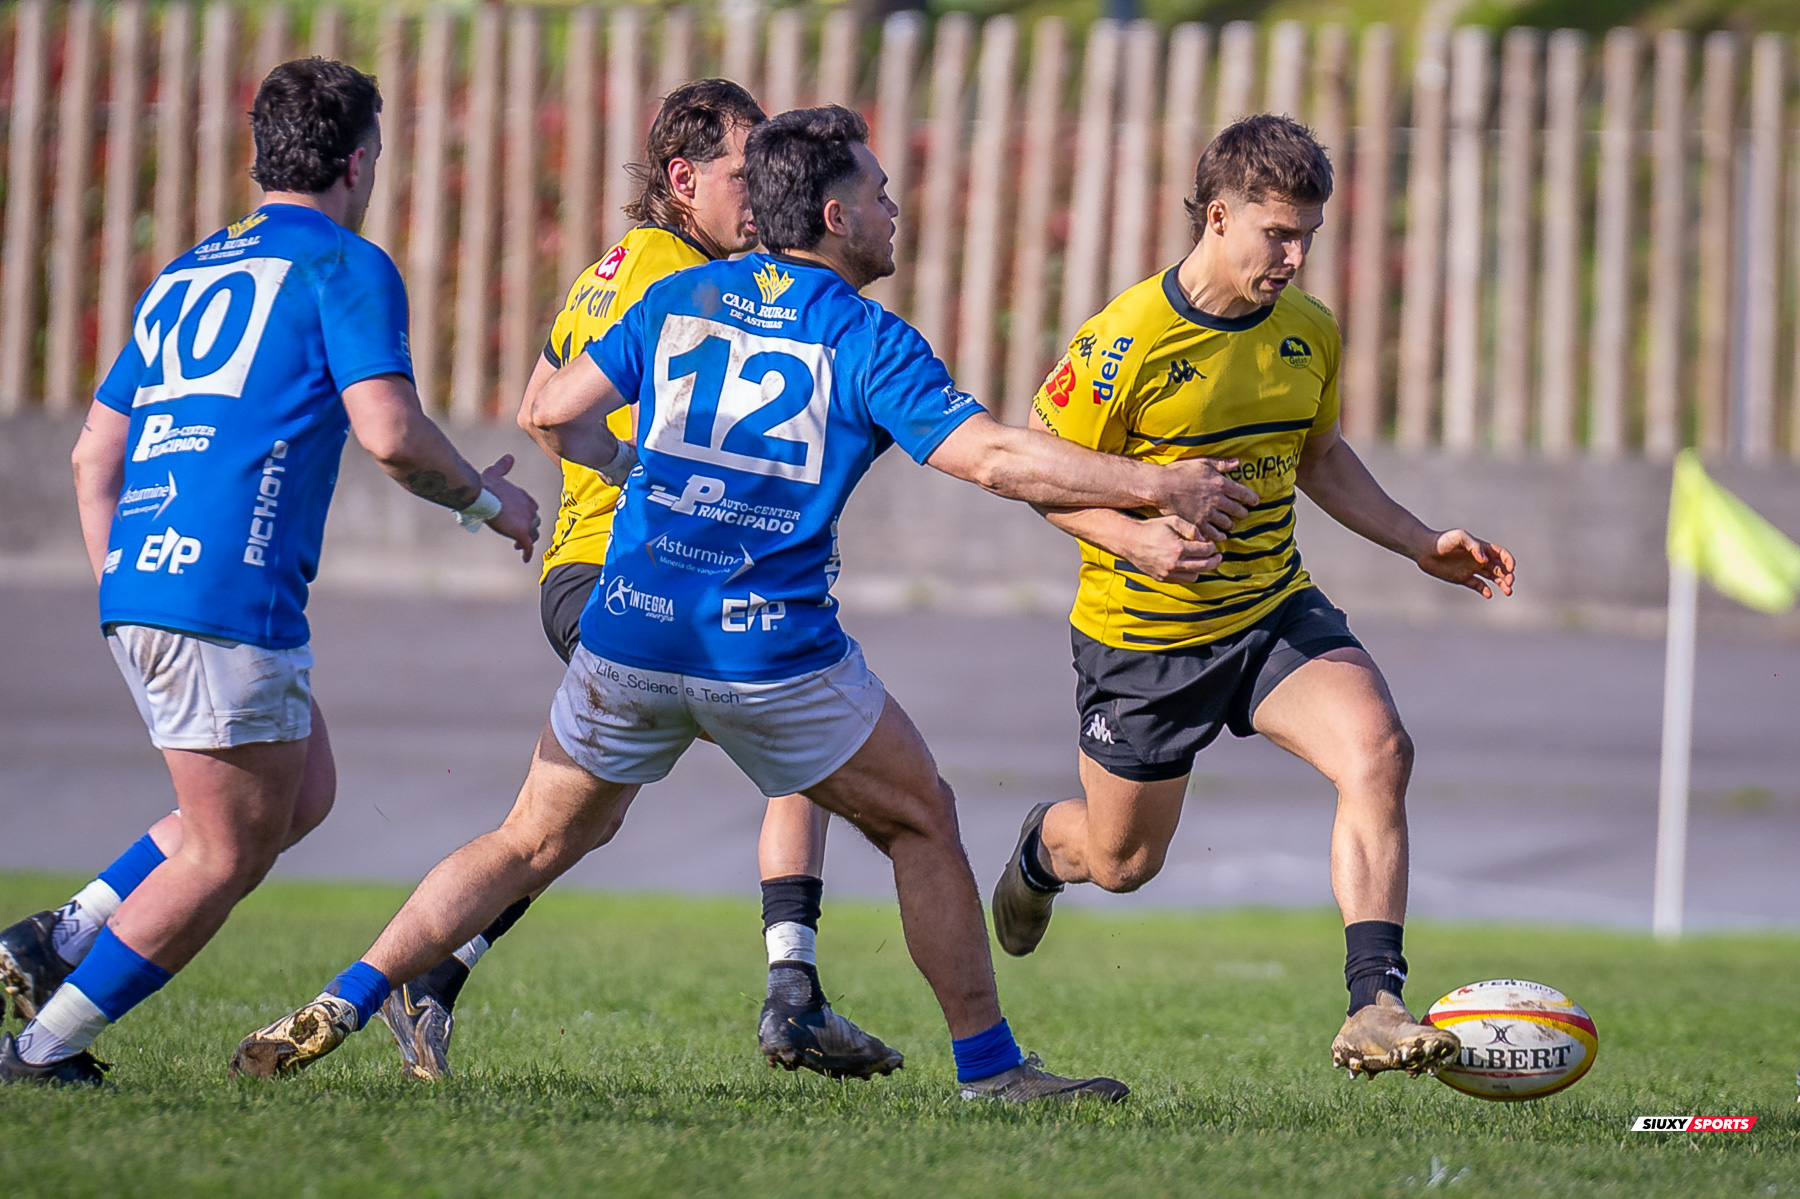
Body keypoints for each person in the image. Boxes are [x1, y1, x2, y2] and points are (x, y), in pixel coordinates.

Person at [228, 105, 1251, 1102]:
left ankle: (344, 995)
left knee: (528, 839)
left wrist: (630, 469)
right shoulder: (865, 336)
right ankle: (991, 1069)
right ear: (835, 217)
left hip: (627, 630)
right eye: (880, 193)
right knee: (921, 819)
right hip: (765, 655)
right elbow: (991, 458)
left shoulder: (683, 296)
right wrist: (1154, 482)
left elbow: (548, 412)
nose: (894, 208)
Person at [0, 58, 538, 1086]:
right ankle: (40, 1049)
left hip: (144, 579)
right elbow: (391, 432)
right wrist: (486, 500)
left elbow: (91, 456)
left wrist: (127, 584)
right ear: (359, 160)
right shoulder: (342, 263)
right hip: (222, 596)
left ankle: (57, 936)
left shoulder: (186, 272)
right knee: (226, 850)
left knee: (301, 791)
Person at [375, 79, 900, 1086]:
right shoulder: (676, 274)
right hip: (634, 575)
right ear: (683, 178)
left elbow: (540, 398)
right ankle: (791, 988)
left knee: (600, 813)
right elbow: (556, 413)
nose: (760, 193)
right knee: (798, 727)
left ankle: (435, 974)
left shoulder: (625, 265)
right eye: (743, 172)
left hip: (610, 573)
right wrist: (642, 475)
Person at [988, 114, 1516, 1079]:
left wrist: (1418, 541)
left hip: (1272, 609)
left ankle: (1374, 1002)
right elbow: (1033, 472)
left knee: (1379, 750)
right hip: (1146, 637)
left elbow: (1322, 457)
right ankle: (1039, 849)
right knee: (1123, 862)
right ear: (1219, 216)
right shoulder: (1124, 340)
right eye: (1279, 233)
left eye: (1309, 234)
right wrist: (1135, 536)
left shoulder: (1309, 330)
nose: (1296, 256)